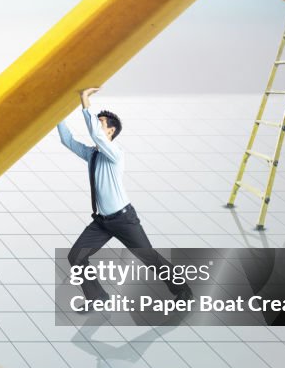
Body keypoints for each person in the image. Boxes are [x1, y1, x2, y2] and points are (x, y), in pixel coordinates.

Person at [58, 87, 191, 305]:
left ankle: (183, 290)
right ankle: (98, 297)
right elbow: (68, 140)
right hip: (101, 222)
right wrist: (57, 115)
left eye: (101, 123)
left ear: (110, 132)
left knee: (148, 257)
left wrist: (84, 99)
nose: (97, 127)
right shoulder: (93, 155)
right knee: (76, 256)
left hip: (123, 219)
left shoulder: (115, 154)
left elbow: (94, 134)